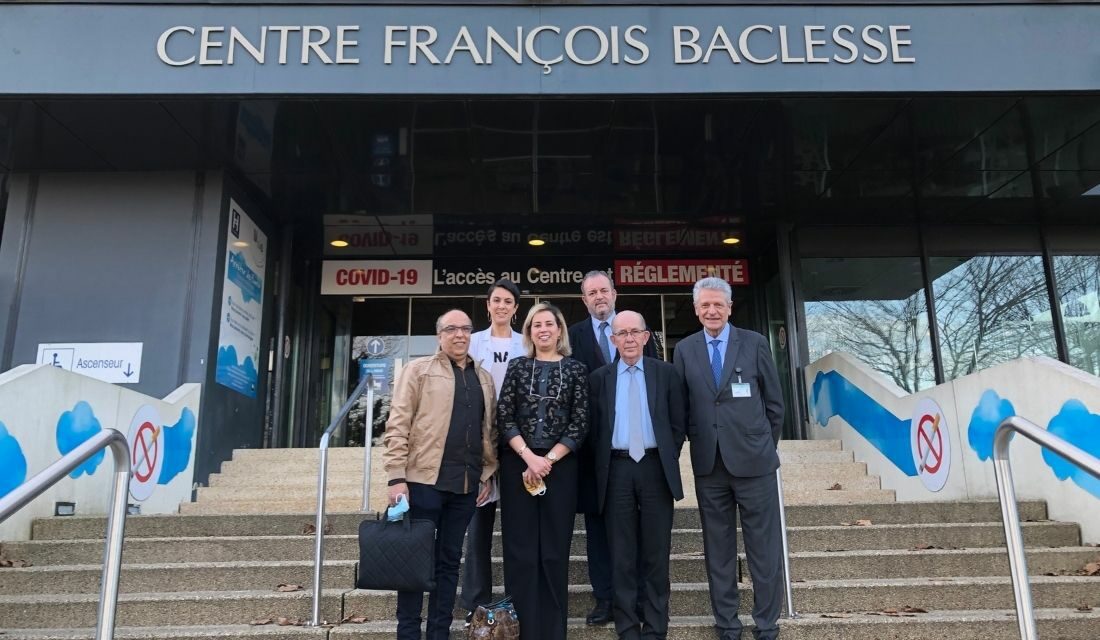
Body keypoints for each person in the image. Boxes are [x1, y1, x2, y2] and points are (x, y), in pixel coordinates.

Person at [672, 277, 786, 640]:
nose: (711, 311)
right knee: (717, 551)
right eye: (705, 305)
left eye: (718, 304)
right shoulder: (685, 349)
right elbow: (682, 406)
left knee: (763, 549)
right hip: (710, 466)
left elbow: (775, 405)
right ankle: (727, 623)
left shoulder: (754, 343)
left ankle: (767, 623)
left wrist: (762, 445)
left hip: (755, 465)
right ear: (696, 309)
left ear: (730, 307)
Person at [383, 308, 497, 640]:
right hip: (422, 483)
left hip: (464, 487)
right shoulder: (418, 370)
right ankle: (408, 633)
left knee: (449, 564)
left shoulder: (484, 377)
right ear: (439, 336)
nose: (459, 334)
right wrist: (395, 476)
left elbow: (488, 433)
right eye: (451, 329)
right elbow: (397, 423)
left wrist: (487, 473)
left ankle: (438, 633)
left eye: (465, 329)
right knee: (415, 562)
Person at [589, 310, 686, 640]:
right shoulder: (599, 378)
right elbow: (595, 430)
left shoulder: (667, 374)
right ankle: (628, 628)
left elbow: (678, 424)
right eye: (622, 334)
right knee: (622, 554)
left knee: (657, 553)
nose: (628, 339)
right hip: (616, 470)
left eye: (635, 332)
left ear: (646, 337)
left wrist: (666, 457)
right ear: (613, 340)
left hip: (655, 468)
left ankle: (656, 628)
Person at [496, 302, 590, 640]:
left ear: (560, 330)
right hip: (517, 468)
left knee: (553, 552)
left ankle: (552, 631)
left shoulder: (576, 369)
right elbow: (504, 417)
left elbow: (580, 423)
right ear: (529, 332)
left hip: (560, 469)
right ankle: (522, 630)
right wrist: (528, 458)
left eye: (550, 323)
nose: (544, 329)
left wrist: (546, 459)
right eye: (537, 325)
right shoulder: (518, 367)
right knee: (520, 551)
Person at [567, 270, 656, 625]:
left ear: (615, 293)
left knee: (637, 529)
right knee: (598, 532)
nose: (599, 297)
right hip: (592, 454)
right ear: (584, 300)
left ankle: (636, 598)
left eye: (604, 290)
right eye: (592, 293)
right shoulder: (572, 336)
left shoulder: (636, 330)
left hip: (635, 451)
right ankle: (604, 598)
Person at [460, 278, 524, 623]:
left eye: (508, 301)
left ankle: (516, 597)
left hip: (516, 443)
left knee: (516, 525)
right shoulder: (472, 343)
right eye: (496, 300)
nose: (501, 306)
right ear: (488, 305)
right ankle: (475, 599)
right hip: (480, 444)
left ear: (516, 309)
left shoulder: (525, 343)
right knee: (478, 524)